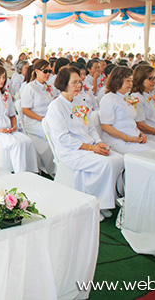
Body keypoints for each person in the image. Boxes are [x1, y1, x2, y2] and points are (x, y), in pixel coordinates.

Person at [44, 67, 124, 220]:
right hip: (70, 151)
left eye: (80, 82)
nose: (79, 86)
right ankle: (95, 203)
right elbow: (63, 138)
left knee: (119, 159)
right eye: (74, 83)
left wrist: (99, 143)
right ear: (63, 84)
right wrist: (91, 148)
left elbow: (91, 127)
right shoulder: (55, 107)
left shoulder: (81, 101)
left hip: (89, 145)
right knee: (105, 163)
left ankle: (104, 201)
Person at [0, 64, 38, 173]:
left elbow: (12, 115)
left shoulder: (6, 94)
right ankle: (20, 173)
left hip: (8, 130)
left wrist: (14, 127)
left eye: (4, 77)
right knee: (15, 144)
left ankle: (32, 171)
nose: (2, 80)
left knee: (27, 141)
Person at [100, 66, 155, 153]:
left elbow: (130, 121)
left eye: (132, 81)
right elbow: (105, 126)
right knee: (151, 154)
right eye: (128, 81)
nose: (131, 84)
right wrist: (128, 138)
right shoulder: (109, 99)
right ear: (117, 80)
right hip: (118, 140)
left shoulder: (127, 97)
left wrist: (140, 133)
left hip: (133, 137)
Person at [20, 59, 56, 174]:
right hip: (35, 122)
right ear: (36, 71)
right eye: (45, 71)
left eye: (49, 71)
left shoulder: (47, 87)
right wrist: (42, 119)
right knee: (54, 134)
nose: (48, 74)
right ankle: (53, 168)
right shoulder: (30, 87)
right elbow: (25, 110)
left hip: (47, 120)